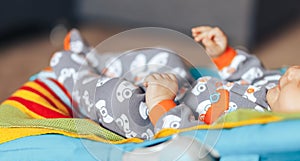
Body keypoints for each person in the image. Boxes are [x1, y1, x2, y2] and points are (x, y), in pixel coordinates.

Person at [144, 26, 300, 132]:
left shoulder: (252, 126)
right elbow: (252, 74)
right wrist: (223, 55)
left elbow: (195, 138)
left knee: (125, 98)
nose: (293, 71)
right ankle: (122, 67)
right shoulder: (276, 88)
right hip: (183, 86)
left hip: (160, 118)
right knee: (165, 56)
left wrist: (161, 102)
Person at [50, 29, 192, 140]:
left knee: (112, 95)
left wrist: (160, 103)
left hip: (152, 121)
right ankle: (97, 60)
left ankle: (80, 70)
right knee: (167, 57)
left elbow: (184, 136)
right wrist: (215, 57)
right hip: (186, 91)